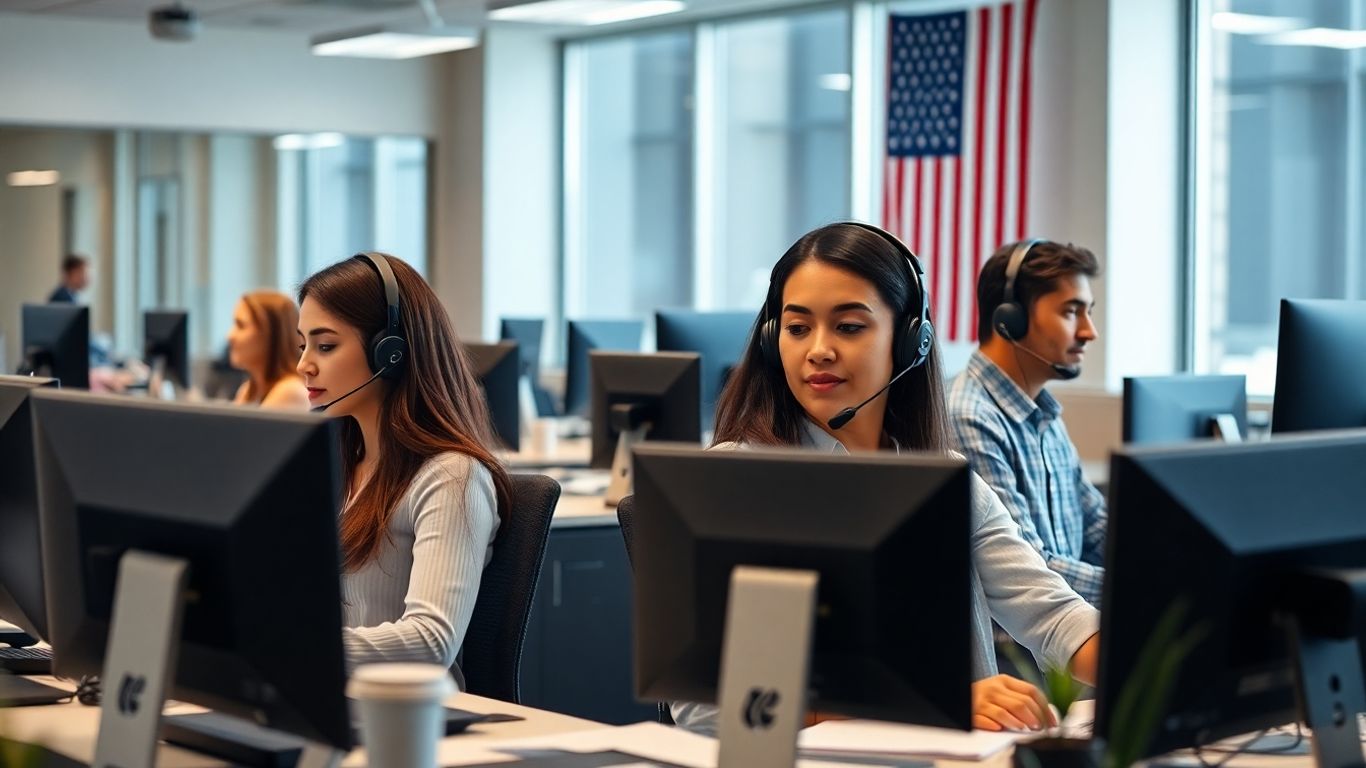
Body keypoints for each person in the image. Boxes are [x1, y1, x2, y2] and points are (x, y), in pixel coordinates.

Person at [670, 223, 1100, 734]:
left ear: (910, 340)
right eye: (798, 327)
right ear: (771, 339)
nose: (819, 350)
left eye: (849, 327)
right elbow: (706, 710)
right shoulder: (735, 480)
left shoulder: (946, 480)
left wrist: (1165, 666)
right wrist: (934, 701)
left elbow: (1057, 618)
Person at [296, 252, 512, 686]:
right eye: (303, 346)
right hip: (326, 696)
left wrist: (293, 649)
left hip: (406, 712)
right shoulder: (337, 468)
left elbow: (432, 641)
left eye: (325, 346)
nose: (304, 365)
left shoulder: (452, 476)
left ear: (389, 353)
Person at [947, 240, 1106, 606]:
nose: (1089, 331)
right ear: (1010, 319)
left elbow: (1095, 524)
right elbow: (1032, 569)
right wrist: (1140, 589)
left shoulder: (1043, 413)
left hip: (1067, 624)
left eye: (1088, 312)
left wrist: (1161, 561)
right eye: (1072, 312)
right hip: (1024, 638)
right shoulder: (970, 417)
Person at [226, 291, 310, 410]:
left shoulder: (289, 391)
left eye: (241, 325)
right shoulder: (248, 389)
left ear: (271, 335)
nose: (230, 336)